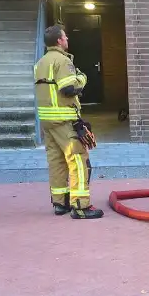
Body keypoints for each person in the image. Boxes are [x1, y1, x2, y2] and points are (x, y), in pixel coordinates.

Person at [33, 24, 103, 219]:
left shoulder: (40, 63)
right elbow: (68, 89)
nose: (67, 40)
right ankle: (80, 206)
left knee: (56, 161)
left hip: (47, 120)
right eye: (65, 37)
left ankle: (60, 203)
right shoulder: (63, 61)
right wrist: (82, 78)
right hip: (64, 119)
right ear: (59, 41)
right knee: (78, 160)